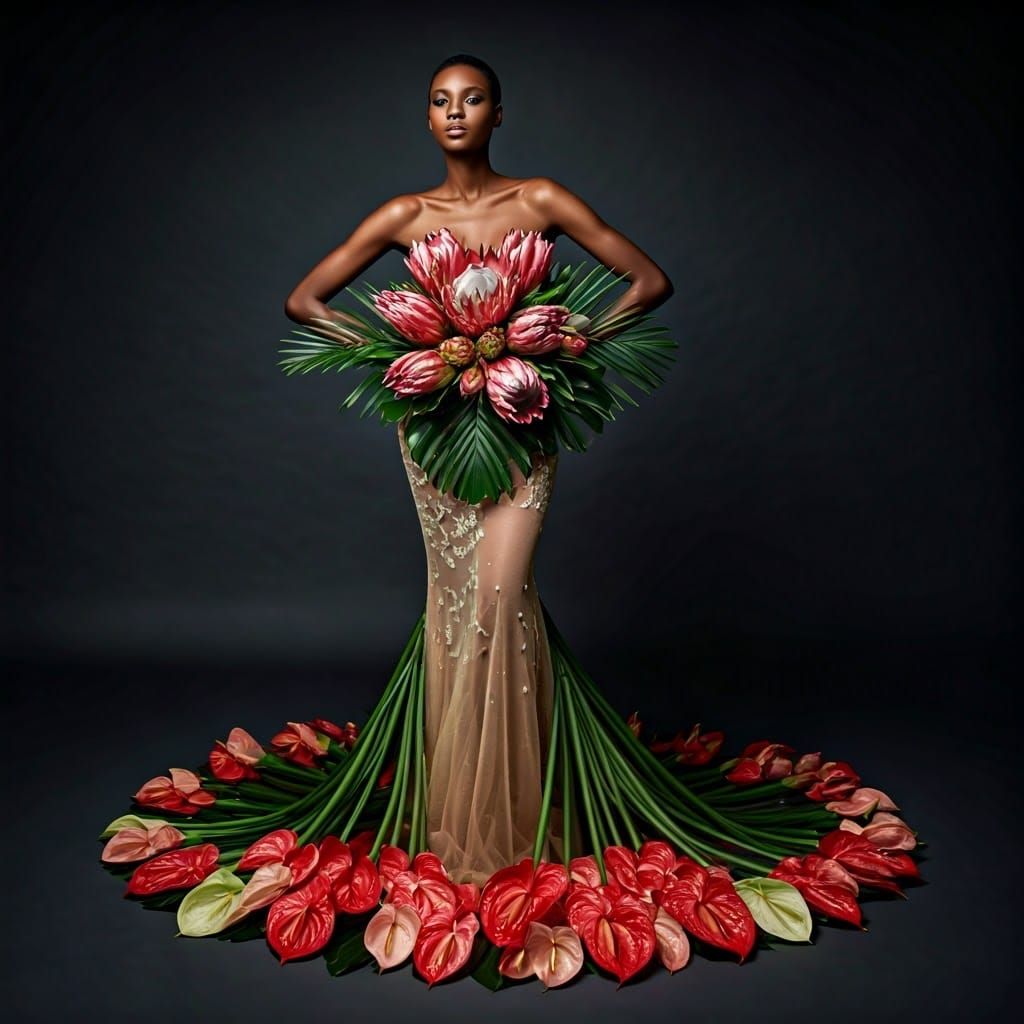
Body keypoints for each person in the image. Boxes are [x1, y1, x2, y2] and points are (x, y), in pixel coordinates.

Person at [283, 54, 675, 886]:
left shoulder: (539, 199)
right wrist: (397, 352)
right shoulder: (403, 213)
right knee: (456, 608)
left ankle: (511, 812)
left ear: (500, 114)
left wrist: (573, 343)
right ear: (427, 119)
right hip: (437, 433)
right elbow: (305, 301)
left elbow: (648, 281)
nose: (456, 112)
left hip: (523, 421)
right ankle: (464, 812)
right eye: (440, 101)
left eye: (473, 100)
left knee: (500, 598)